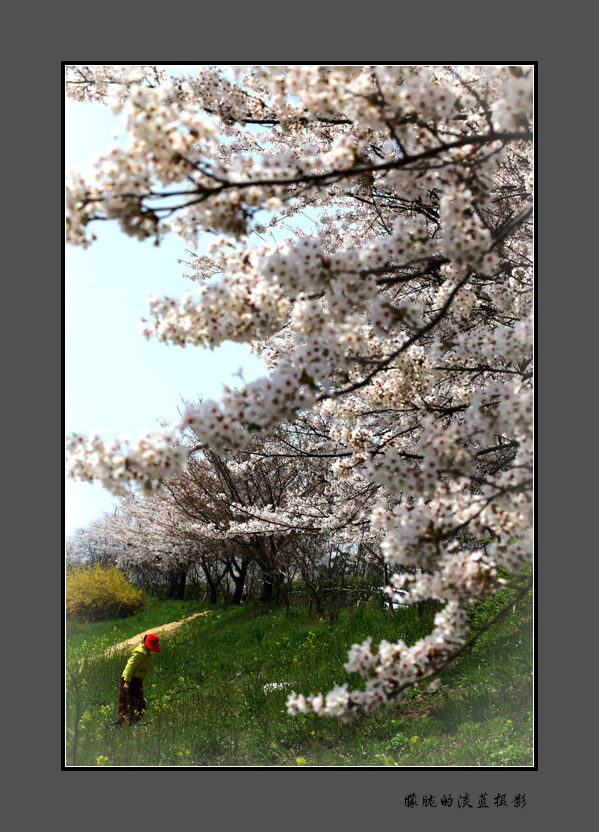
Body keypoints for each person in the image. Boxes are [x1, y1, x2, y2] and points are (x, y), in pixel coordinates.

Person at [116, 632, 161, 725]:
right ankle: (122, 722)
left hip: (136, 680)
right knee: (126, 701)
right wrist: (127, 682)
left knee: (139, 701)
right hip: (130, 679)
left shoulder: (146, 651)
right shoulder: (140, 652)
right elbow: (130, 667)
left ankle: (134, 720)